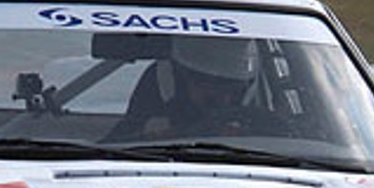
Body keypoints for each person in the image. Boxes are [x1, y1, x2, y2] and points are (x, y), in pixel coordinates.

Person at [108, 36, 265, 141]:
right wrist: (150, 139)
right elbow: (113, 144)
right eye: (207, 84)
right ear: (182, 81)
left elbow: (285, 138)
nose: (224, 98)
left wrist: (250, 139)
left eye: (233, 89)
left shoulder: (262, 123)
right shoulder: (158, 90)